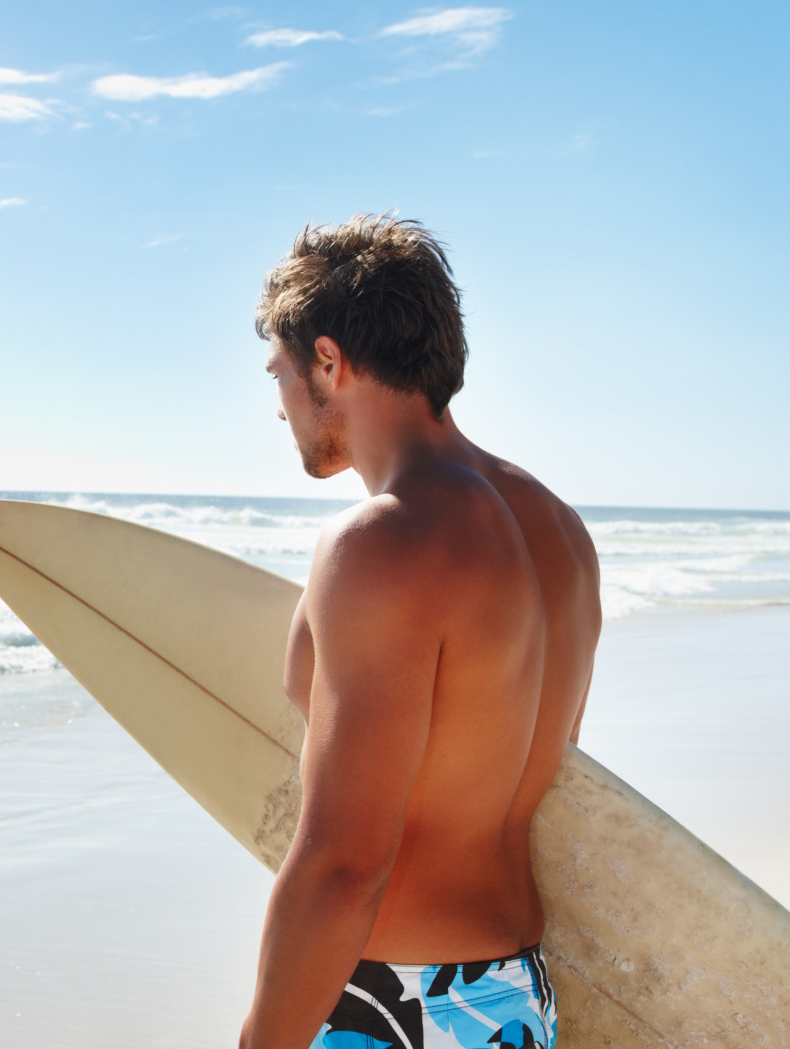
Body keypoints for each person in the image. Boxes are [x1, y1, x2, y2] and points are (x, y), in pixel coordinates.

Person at [240, 215, 602, 1049]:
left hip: (397, 999)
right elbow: (545, 778)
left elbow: (343, 866)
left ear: (328, 360)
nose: (280, 407)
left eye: (279, 373)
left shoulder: (383, 541)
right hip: (516, 999)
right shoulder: (562, 533)